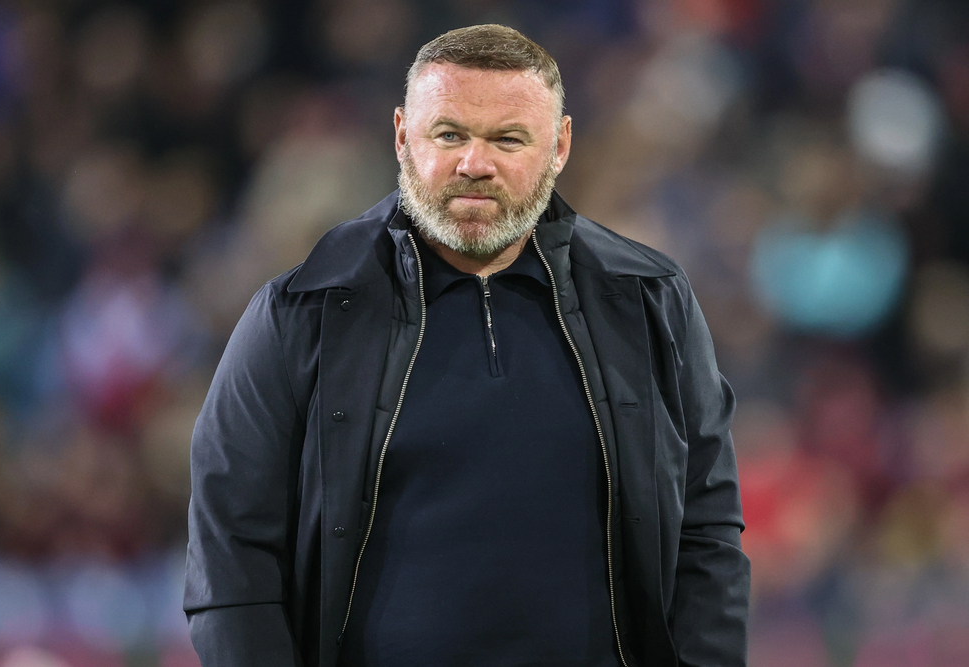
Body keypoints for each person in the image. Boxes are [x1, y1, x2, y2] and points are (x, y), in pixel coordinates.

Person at [184, 24, 750, 667]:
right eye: (449, 134)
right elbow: (232, 556)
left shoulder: (650, 299)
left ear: (560, 145)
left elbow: (706, 533)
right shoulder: (301, 312)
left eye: (508, 138)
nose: (474, 163)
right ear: (402, 136)